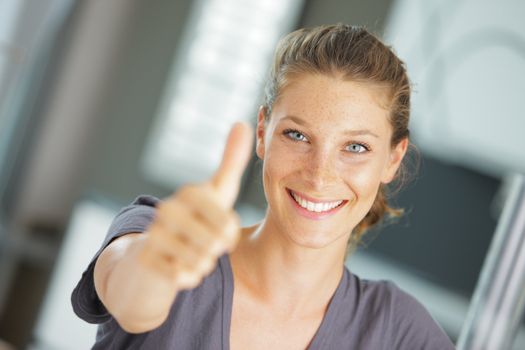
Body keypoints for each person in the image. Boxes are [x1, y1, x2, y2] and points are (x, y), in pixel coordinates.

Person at [72, 24, 456, 349]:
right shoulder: (158, 236)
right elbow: (133, 296)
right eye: (297, 135)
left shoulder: (397, 331)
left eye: (355, 147)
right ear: (262, 132)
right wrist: (155, 265)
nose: (320, 174)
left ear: (392, 157)